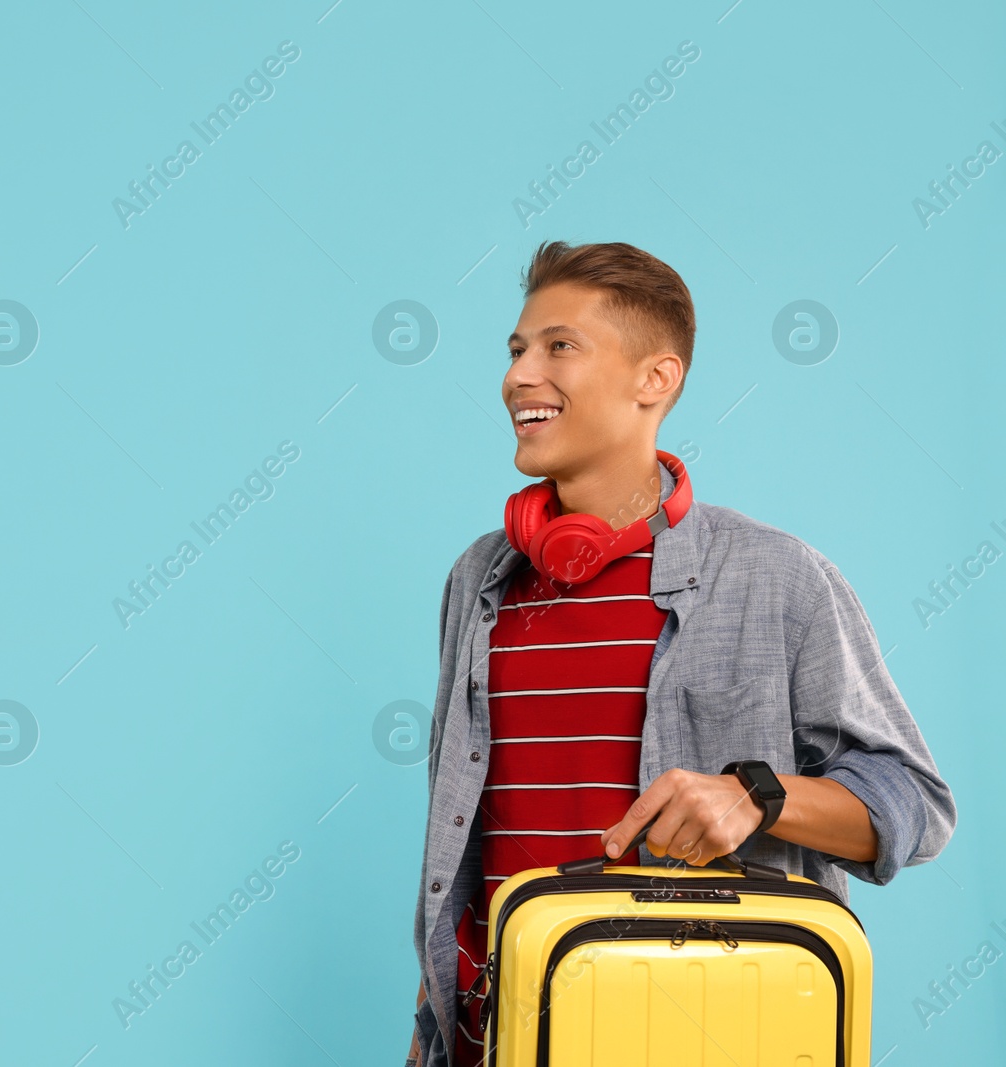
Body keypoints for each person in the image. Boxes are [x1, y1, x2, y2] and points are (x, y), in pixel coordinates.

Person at [404, 240, 956, 1066]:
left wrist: (757, 797)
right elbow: (461, 856)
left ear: (655, 380)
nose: (519, 375)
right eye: (517, 349)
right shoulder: (479, 581)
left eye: (559, 346)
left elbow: (915, 803)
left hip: (692, 1037)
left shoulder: (779, 577)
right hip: (498, 1043)